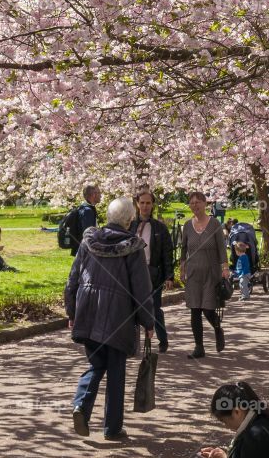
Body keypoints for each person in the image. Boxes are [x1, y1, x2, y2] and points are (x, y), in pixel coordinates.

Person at [68, 196, 155, 441]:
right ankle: (112, 428)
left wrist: (71, 312)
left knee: (96, 365)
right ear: (129, 220)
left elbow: (73, 279)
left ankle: (81, 406)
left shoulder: (88, 242)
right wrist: (149, 322)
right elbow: (141, 289)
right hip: (119, 318)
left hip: (87, 313)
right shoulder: (133, 246)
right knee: (116, 372)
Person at [180, 191, 230, 359]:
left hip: (211, 272)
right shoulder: (187, 225)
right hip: (193, 273)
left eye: (198, 202)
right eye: (192, 203)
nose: (195, 205)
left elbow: (222, 249)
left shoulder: (214, 224)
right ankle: (199, 347)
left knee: (208, 310)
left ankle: (217, 328)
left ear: (205, 204)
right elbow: (183, 249)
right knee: (195, 310)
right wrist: (182, 268)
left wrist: (225, 268)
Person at [130, 187, 174, 352]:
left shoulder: (160, 228)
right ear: (137, 204)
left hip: (153, 274)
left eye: (148, 203)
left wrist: (169, 276)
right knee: (132, 308)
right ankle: (134, 343)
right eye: (142, 203)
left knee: (154, 309)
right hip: (133, 274)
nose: (145, 206)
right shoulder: (130, 226)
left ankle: (163, 340)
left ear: (153, 205)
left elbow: (167, 253)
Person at [61, 184, 101, 254]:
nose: (100, 195)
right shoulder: (87, 211)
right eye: (99, 193)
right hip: (85, 250)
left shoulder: (85, 207)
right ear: (93, 195)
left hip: (82, 249)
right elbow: (88, 233)